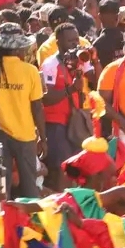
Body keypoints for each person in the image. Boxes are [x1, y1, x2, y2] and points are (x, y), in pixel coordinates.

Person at [0, 23, 46, 199]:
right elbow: (37, 107)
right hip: (26, 135)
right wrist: (43, 138)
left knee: (1, 187)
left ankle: (3, 222)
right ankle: (33, 222)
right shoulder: (30, 71)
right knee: (30, 185)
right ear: (17, 49)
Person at [39, 22, 85, 184]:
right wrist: (71, 89)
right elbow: (46, 97)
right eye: (70, 41)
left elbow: (96, 80)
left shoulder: (81, 60)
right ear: (58, 42)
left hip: (77, 123)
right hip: (56, 123)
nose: (75, 44)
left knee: (78, 166)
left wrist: (93, 60)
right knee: (60, 167)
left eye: (76, 40)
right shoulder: (50, 64)